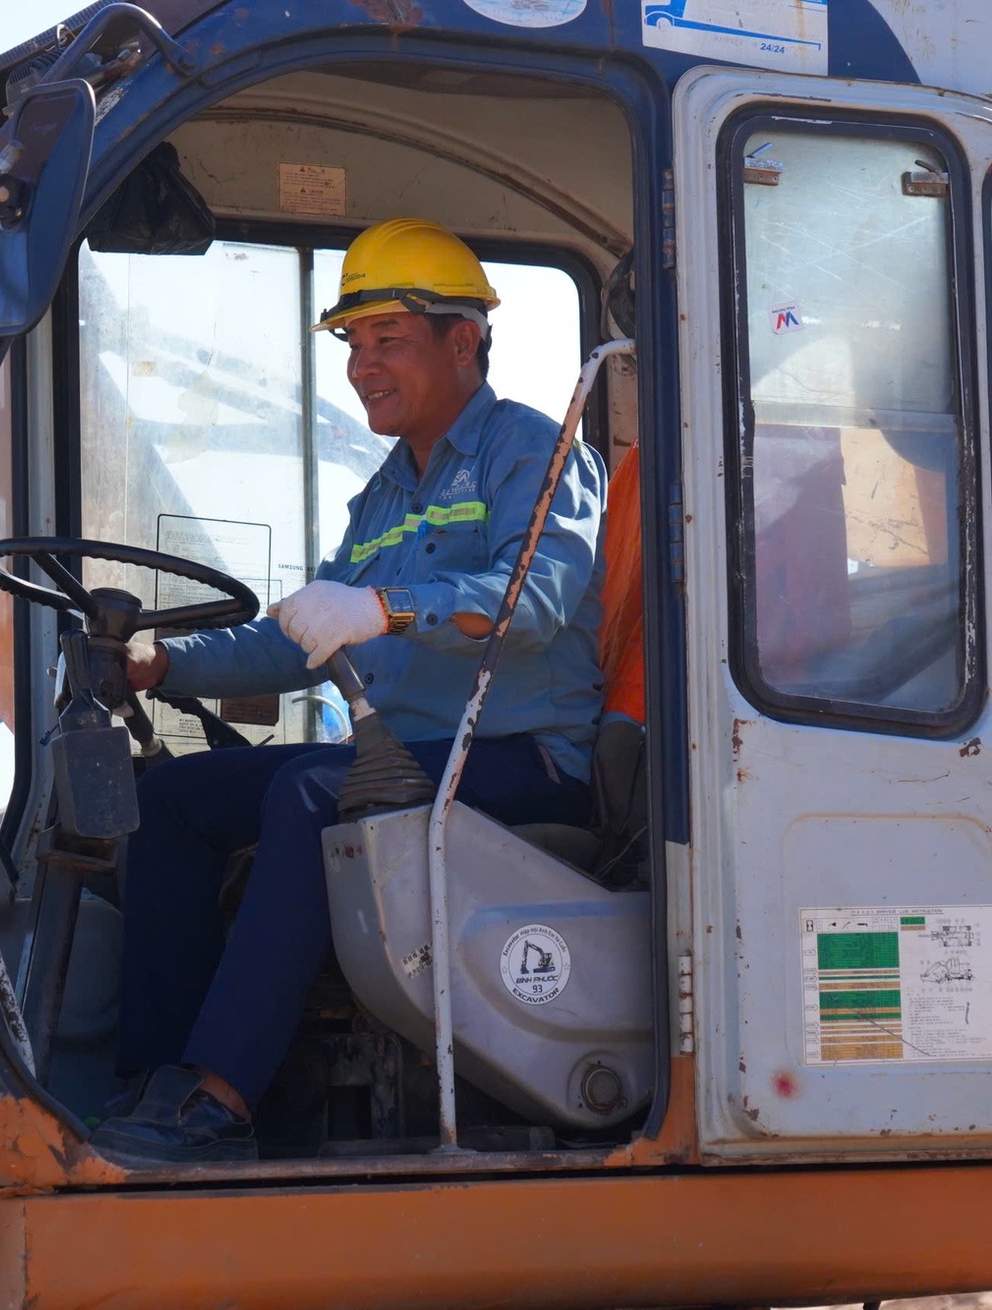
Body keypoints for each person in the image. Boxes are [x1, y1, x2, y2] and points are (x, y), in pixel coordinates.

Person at [90, 218, 607, 1164]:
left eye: (389, 342)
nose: (363, 368)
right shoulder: (382, 495)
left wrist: (388, 608)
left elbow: (534, 600)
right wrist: (166, 667)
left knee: (311, 796)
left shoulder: (534, 452)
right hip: (400, 760)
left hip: (520, 761)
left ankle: (223, 1104)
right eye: (353, 346)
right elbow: (300, 643)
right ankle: (155, 1081)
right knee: (170, 799)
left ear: (464, 342)